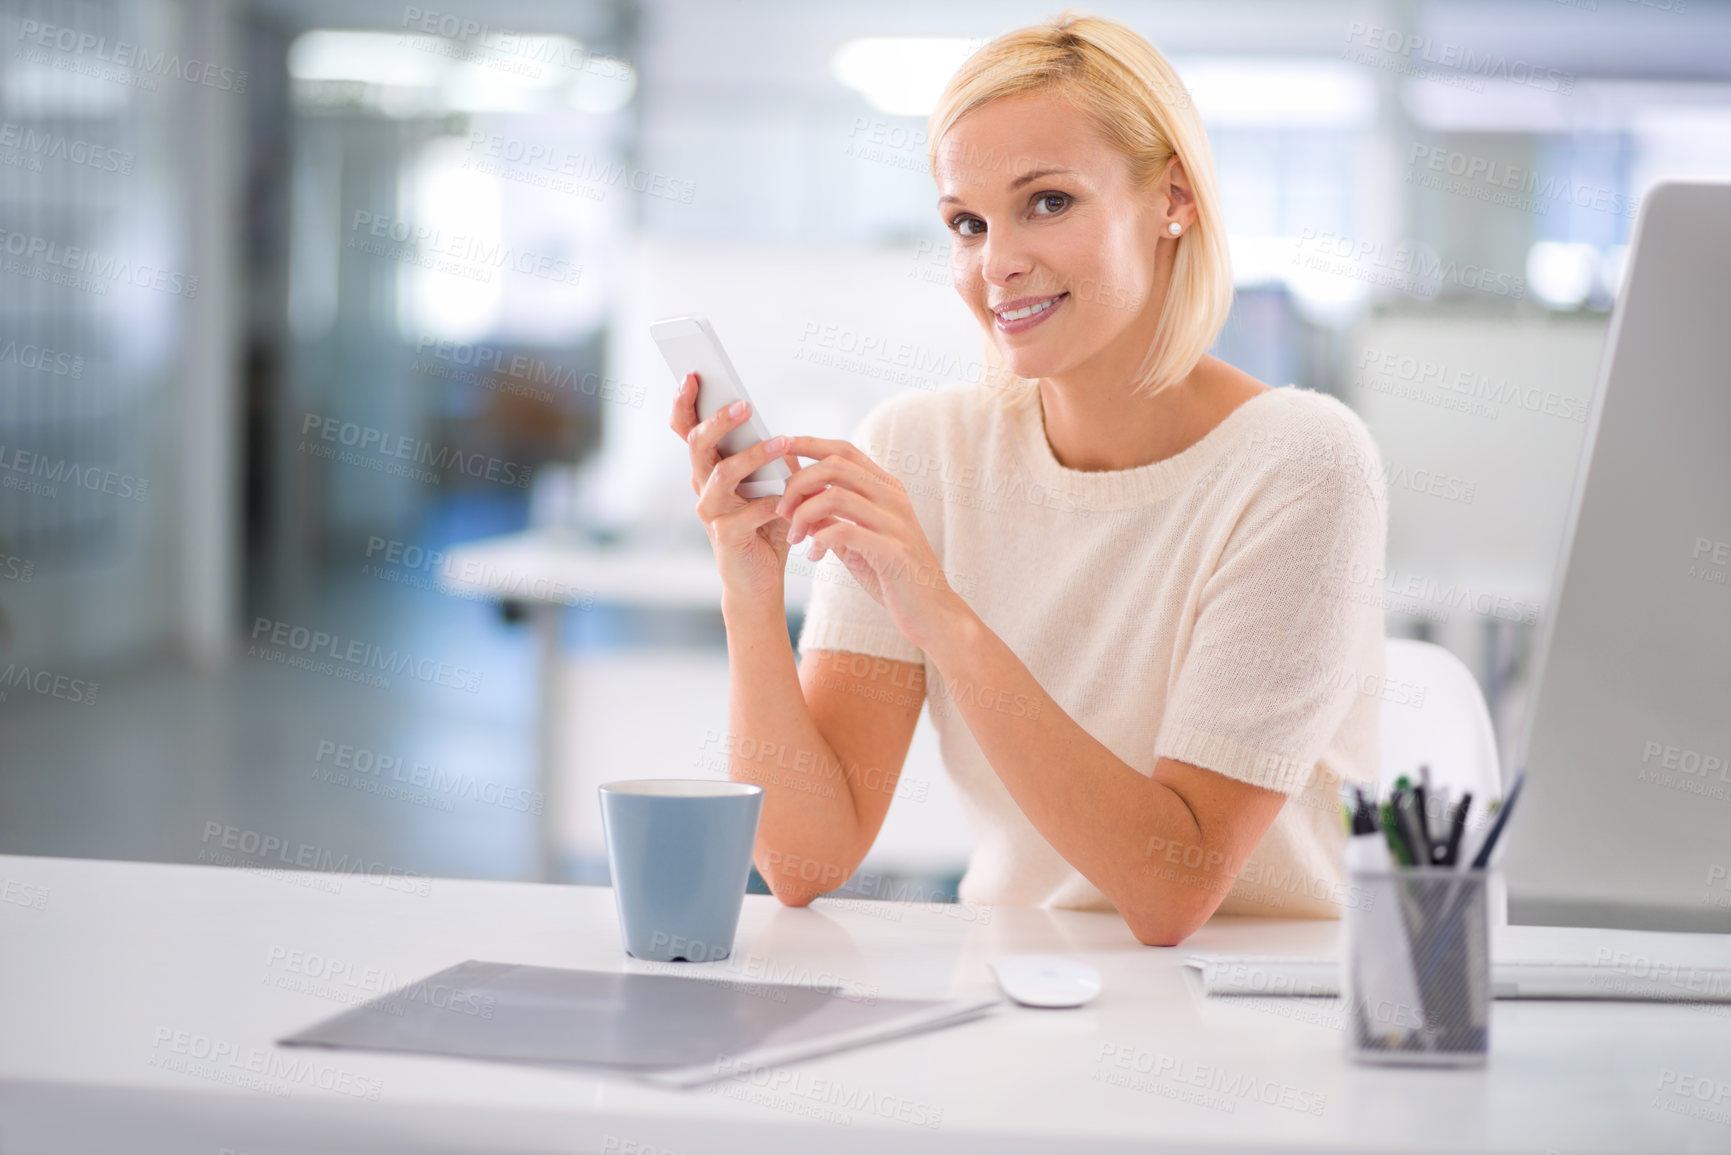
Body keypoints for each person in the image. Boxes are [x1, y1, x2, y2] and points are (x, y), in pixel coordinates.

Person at [668, 13, 1387, 946]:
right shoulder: (919, 449)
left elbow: (1170, 892)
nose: (995, 263)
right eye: (966, 222)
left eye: (1046, 201)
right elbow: (804, 861)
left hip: (1253, 1007)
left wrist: (943, 614)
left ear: (1173, 196)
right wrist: (750, 589)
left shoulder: (1301, 462)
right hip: (1021, 985)